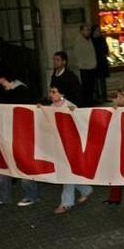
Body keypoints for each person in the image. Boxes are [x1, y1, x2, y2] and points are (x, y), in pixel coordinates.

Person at [0, 64, 38, 206]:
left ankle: (31, 195)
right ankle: (3, 195)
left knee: (23, 165)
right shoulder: (2, 90)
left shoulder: (22, 91)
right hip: (5, 133)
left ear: (3, 76)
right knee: (2, 165)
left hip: (21, 135)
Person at [45, 85, 93, 214]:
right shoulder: (50, 108)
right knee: (67, 172)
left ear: (62, 93)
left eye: (54, 92)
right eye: (50, 92)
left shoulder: (70, 106)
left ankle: (66, 202)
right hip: (59, 145)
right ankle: (85, 190)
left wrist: (74, 113)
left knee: (66, 173)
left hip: (70, 146)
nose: (51, 94)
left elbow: (81, 124)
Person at [74, 24, 98, 107]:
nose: (88, 31)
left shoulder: (89, 40)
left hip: (91, 66)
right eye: (86, 30)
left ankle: (91, 99)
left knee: (91, 86)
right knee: (86, 86)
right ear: (82, 31)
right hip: (85, 67)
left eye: (89, 30)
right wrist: (84, 64)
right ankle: (86, 101)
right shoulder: (79, 41)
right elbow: (78, 54)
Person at [91, 25, 110, 102]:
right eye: (97, 31)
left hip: (102, 61)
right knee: (96, 80)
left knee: (102, 80)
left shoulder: (102, 39)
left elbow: (106, 49)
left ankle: (104, 96)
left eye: (99, 31)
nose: (98, 32)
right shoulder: (91, 40)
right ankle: (97, 97)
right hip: (95, 62)